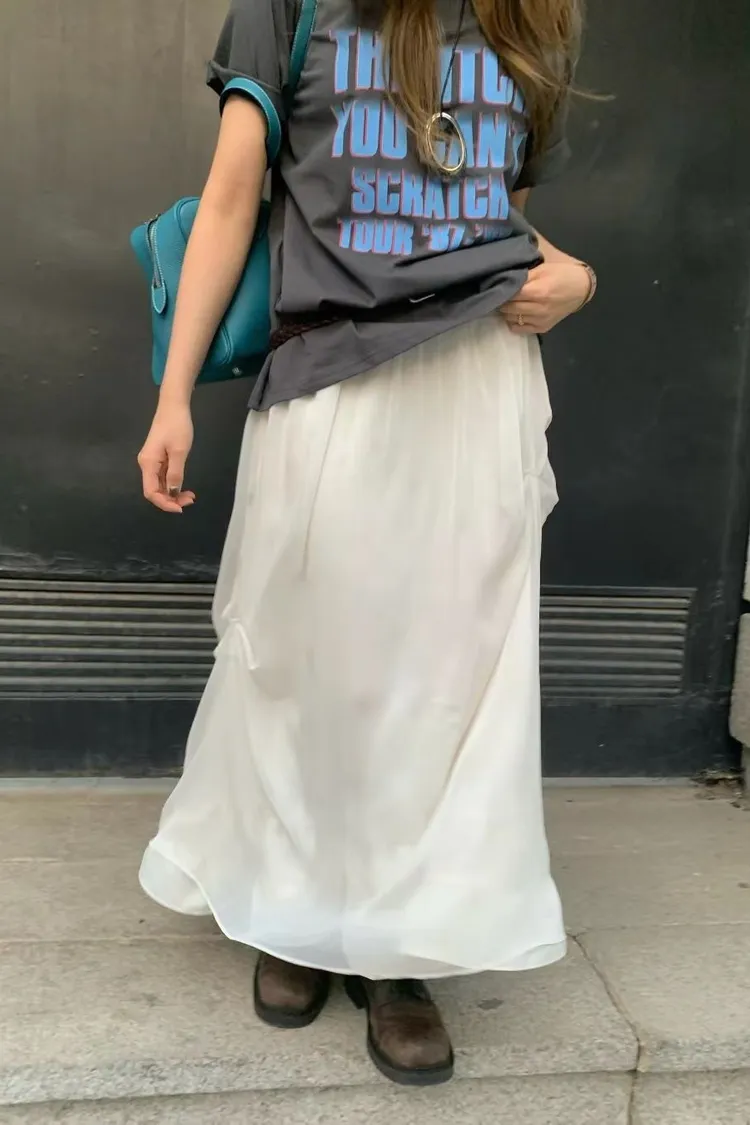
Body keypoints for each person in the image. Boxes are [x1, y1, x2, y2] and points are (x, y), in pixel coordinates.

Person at [137, 0, 594, 1088]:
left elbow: (491, 217)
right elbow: (234, 200)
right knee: (303, 659)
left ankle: (402, 949)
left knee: (447, 681)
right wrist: (173, 394)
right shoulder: (289, 10)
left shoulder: (528, 21)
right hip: (333, 377)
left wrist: (577, 280)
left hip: (475, 382)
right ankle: (294, 910)